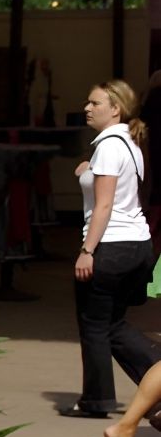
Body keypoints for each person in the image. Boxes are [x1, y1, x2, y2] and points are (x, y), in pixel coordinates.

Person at [69, 80, 155, 419]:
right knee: (112, 324)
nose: (87, 108)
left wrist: (87, 250)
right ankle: (155, 380)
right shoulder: (129, 144)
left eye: (95, 103)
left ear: (115, 108)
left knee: (94, 324)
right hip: (137, 246)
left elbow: (104, 206)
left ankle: (98, 399)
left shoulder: (107, 146)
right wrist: (86, 171)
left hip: (111, 247)